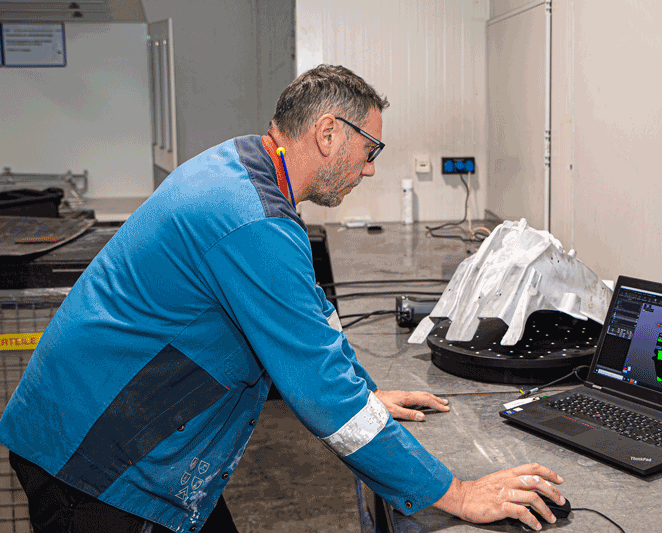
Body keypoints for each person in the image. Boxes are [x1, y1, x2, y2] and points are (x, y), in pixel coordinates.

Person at [0, 64, 565, 533]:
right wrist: (458, 493)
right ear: (327, 132)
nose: (370, 168)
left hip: (124, 439)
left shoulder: (243, 169)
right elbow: (321, 390)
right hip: (95, 461)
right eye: (371, 149)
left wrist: (366, 394)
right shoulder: (252, 219)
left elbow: (309, 326)